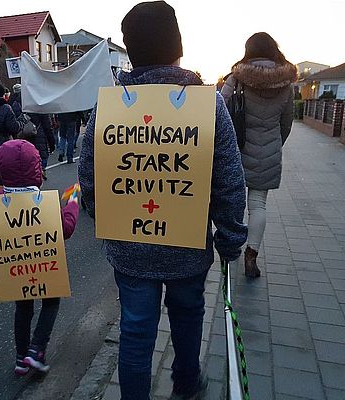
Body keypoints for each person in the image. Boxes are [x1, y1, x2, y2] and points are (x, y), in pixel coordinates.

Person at [78, 2, 248, 399]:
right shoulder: (206, 105)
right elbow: (228, 178)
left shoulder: (111, 106)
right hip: (188, 247)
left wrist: (110, 219)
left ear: (129, 51)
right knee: (188, 317)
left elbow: (90, 176)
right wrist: (230, 236)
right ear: (179, 46)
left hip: (131, 248)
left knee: (135, 330)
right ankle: (187, 386)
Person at [0, 139, 79, 375]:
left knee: (23, 309)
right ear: (36, 168)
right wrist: (72, 202)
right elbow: (67, 228)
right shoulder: (43, 203)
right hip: (44, 266)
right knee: (51, 302)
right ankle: (37, 350)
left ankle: (21, 357)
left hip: (17, 268)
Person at [221, 32, 296, 278]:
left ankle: (229, 248)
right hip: (270, 148)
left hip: (235, 149)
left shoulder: (237, 77)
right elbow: (287, 123)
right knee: (258, 205)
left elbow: (220, 108)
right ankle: (251, 256)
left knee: (233, 202)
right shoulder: (286, 83)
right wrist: (275, 144)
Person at [9, 84, 55, 179]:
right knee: (42, 154)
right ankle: (41, 170)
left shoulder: (13, 104)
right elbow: (47, 125)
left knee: (27, 155)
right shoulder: (37, 102)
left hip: (22, 134)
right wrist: (52, 142)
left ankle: (32, 172)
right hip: (39, 132)